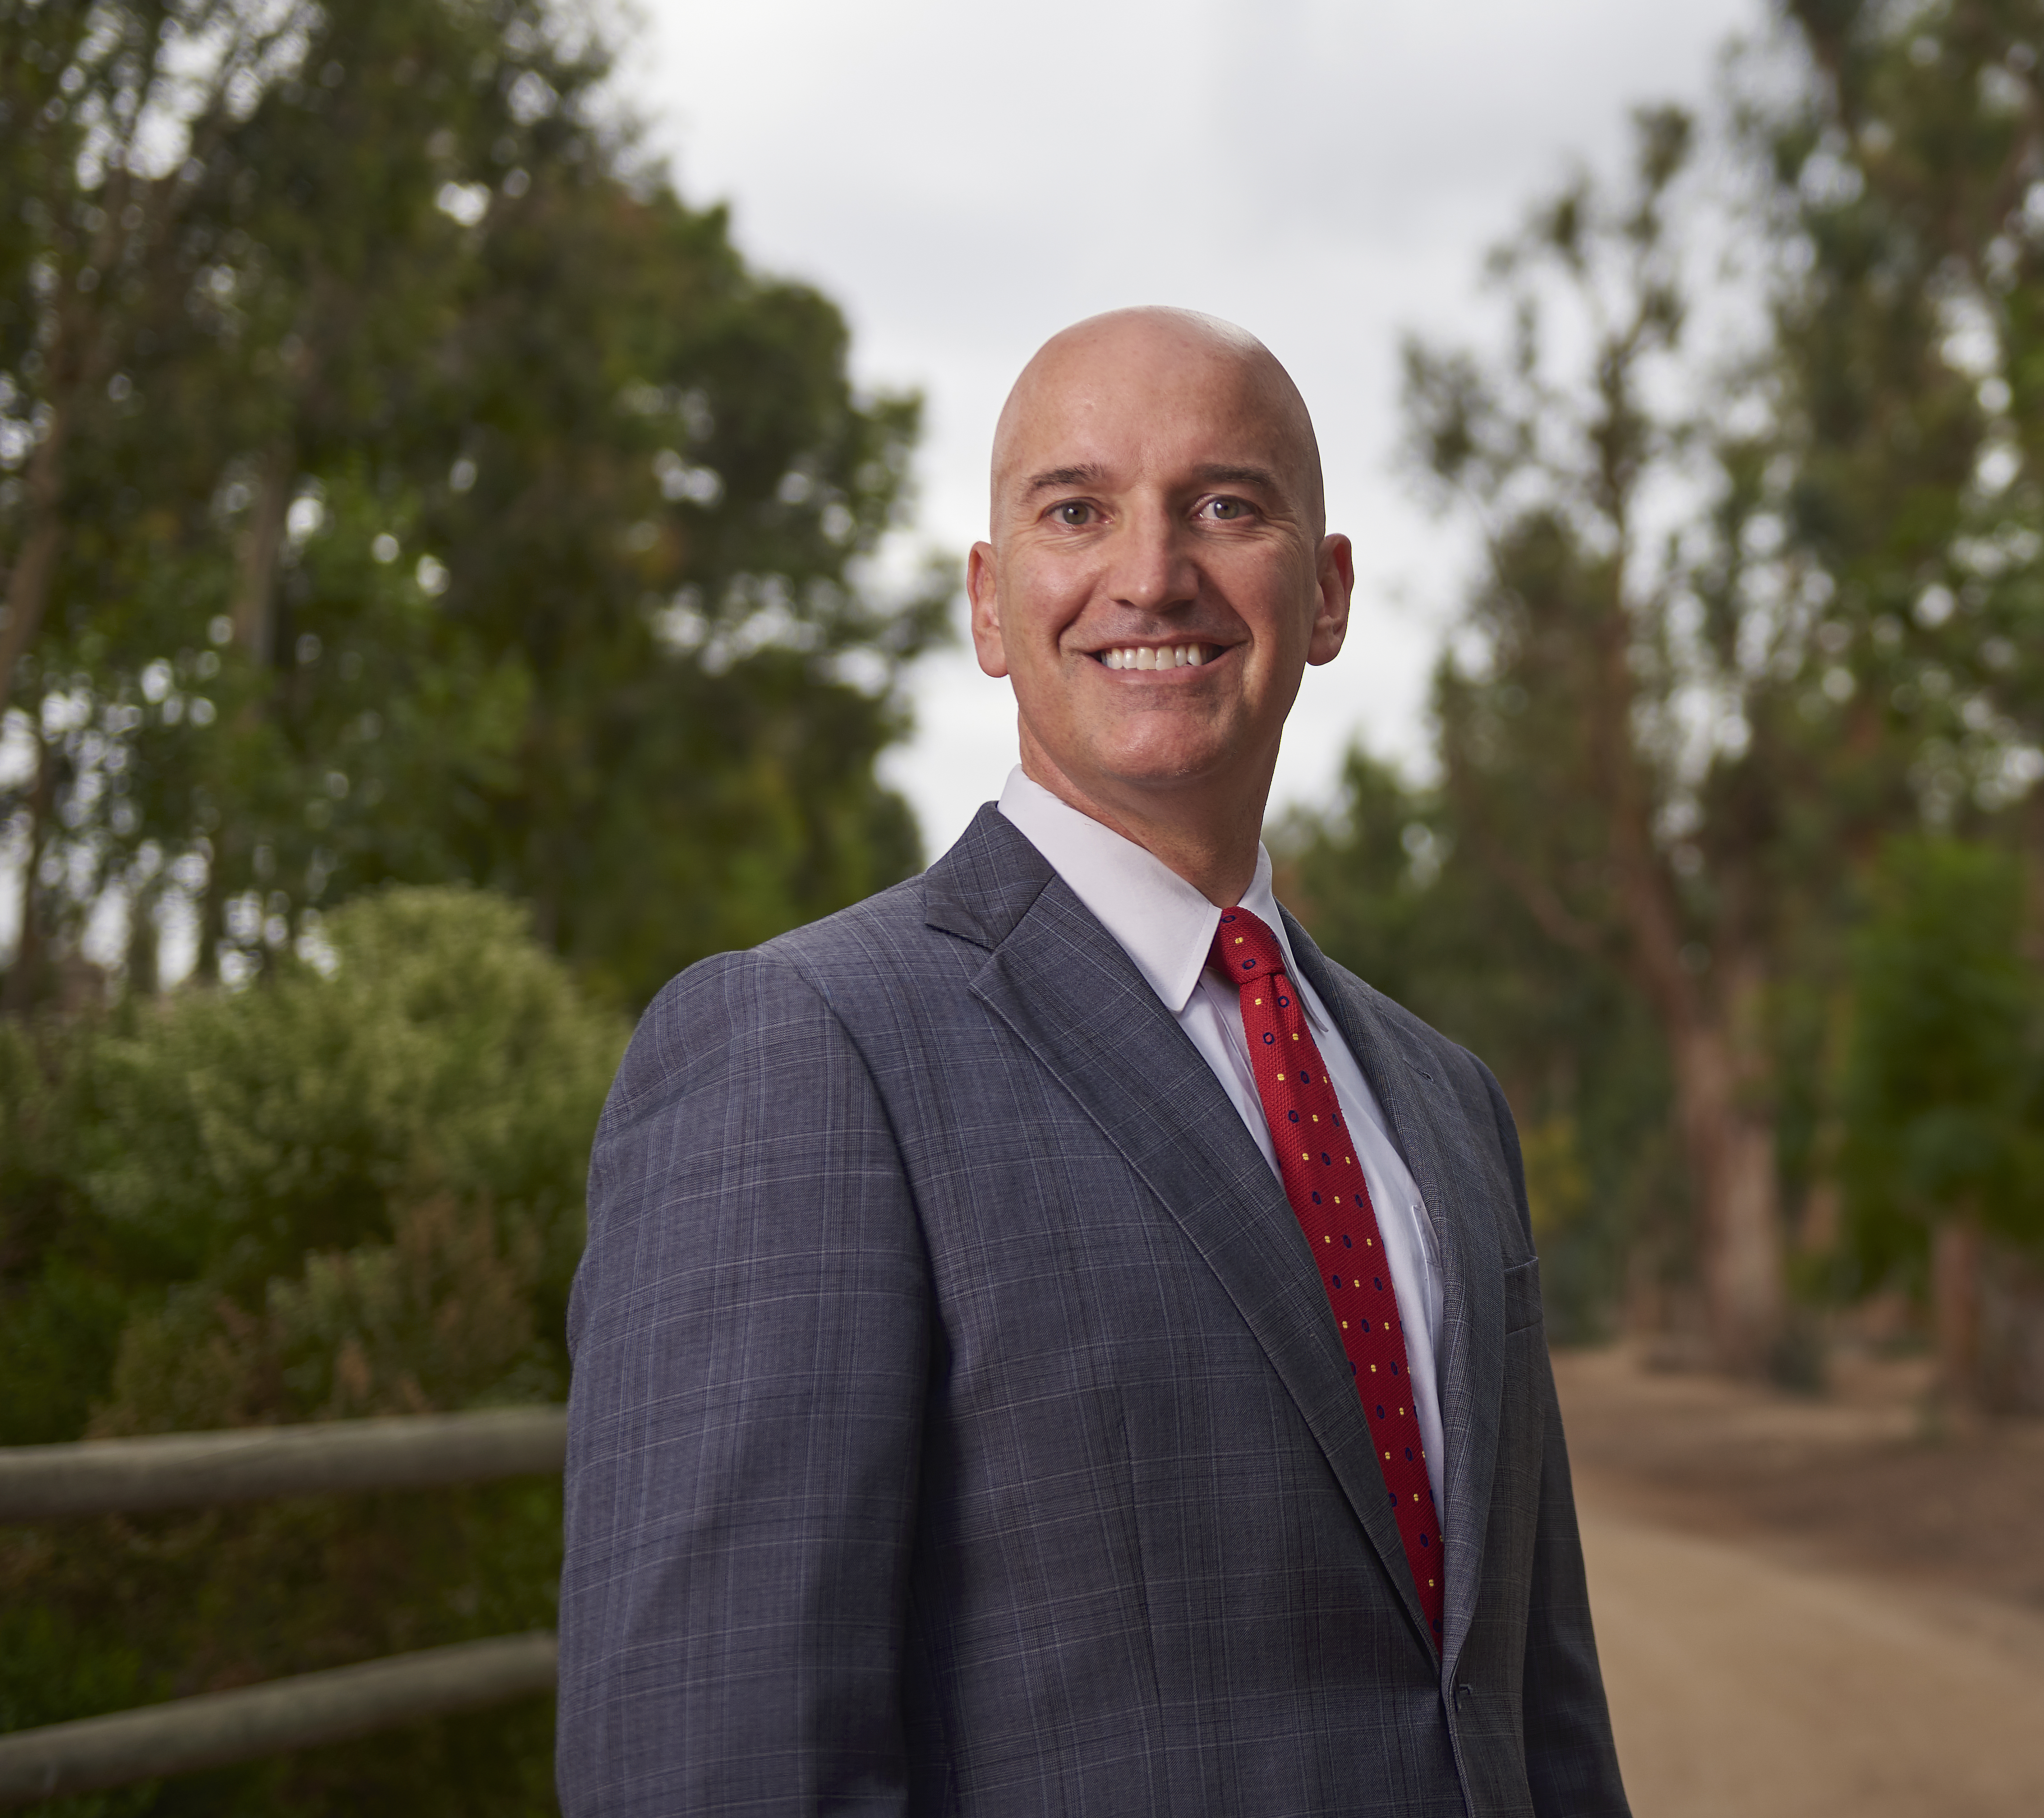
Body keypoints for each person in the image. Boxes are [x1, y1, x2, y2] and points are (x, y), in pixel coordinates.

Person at [557, 308, 1631, 1816]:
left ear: (1323, 595)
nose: (1152, 573)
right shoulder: (801, 1050)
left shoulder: (1447, 1105)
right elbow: (714, 1766)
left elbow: (1540, 1719)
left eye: (1227, 505)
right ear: (990, 607)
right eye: (1079, 509)